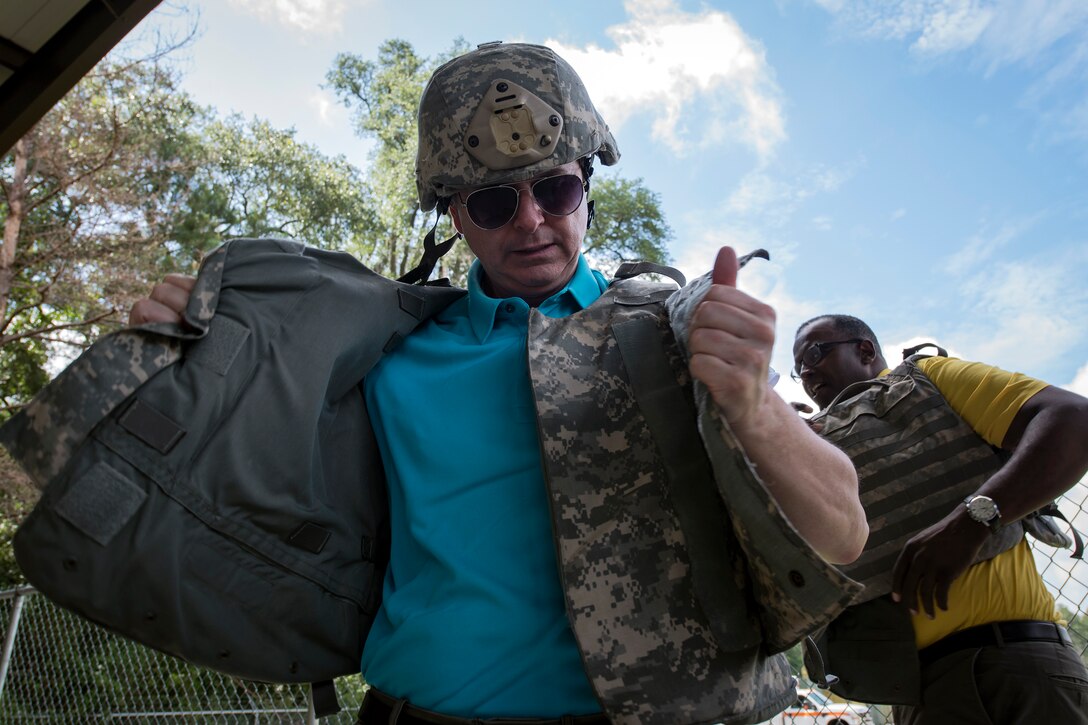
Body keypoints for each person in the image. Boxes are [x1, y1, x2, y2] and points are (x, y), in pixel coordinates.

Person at [130, 42, 866, 725]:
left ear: (586, 185)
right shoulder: (389, 353)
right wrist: (197, 350)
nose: (531, 221)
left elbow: (843, 532)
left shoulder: (681, 332)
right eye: (492, 203)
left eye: (554, 190)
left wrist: (750, 403)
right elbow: (254, 470)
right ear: (453, 213)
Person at [793, 314, 1088, 725]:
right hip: (915, 694)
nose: (805, 370)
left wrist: (972, 521)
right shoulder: (804, 441)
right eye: (797, 367)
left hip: (1014, 665)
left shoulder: (926, 377)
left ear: (864, 350)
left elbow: (1073, 419)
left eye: (814, 352)